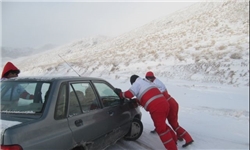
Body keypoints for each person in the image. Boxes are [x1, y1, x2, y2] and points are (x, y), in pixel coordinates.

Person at [114, 75, 178, 150]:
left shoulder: (137, 83)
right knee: (162, 125)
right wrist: (137, 100)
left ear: (132, 81)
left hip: (156, 107)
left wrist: (120, 94)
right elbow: (147, 95)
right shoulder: (146, 82)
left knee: (161, 130)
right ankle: (174, 140)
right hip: (165, 104)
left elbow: (129, 94)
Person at [145, 71, 194, 147]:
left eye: (148, 78)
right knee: (167, 120)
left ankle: (188, 138)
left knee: (174, 124)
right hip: (171, 103)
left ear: (151, 78)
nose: (147, 80)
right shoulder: (156, 82)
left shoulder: (155, 85)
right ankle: (179, 136)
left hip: (170, 105)